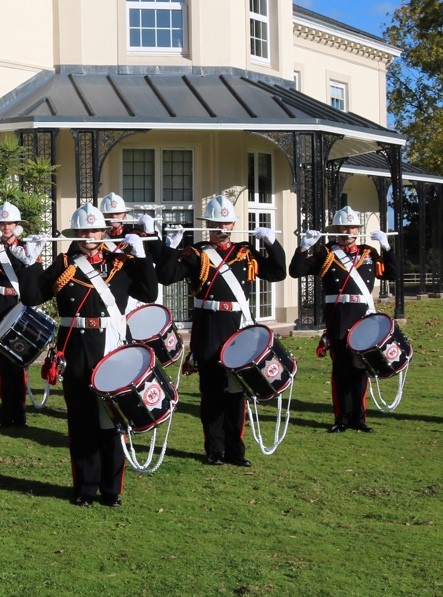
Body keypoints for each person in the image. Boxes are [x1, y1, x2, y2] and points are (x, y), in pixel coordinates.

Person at [20, 203, 157, 507]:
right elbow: (31, 297)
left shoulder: (120, 261)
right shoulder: (64, 263)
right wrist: (31, 263)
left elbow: (149, 294)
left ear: (104, 232)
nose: (89, 235)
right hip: (77, 351)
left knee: (111, 422)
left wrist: (144, 257)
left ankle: (111, 490)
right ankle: (85, 487)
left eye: (94, 230)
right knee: (82, 423)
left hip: (111, 349)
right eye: (83, 231)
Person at [155, 195, 285, 466]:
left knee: (237, 395)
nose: (222, 228)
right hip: (210, 330)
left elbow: (277, 273)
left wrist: (272, 244)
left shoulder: (245, 252)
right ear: (208, 225)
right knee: (212, 394)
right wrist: (170, 247)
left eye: (226, 223)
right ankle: (214, 450)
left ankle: (236, 451)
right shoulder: (196, 253)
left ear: (234, 223)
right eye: (216, 223)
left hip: (238, 330)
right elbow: (166, 277)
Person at [288, 206, 395, 433]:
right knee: (341, 372)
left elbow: (392, 274)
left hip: (364, 320)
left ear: (358, 230)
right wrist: (304, 247)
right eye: (344, 227)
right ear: (336, 230)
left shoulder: (368, 253)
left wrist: (387, 248)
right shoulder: (325, 253)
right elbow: (296, 271)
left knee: (360, 371)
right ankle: (341, 418)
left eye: (353, 227)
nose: (349, 230)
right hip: (339, 320)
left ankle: (360, 419)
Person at [0, 201, 46, 428]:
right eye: (2, 223)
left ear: (17, 225)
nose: (6, 227)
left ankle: (17, 414)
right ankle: (6, 413)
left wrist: (27, 259)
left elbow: (35, 284)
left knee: (18, 362)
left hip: (19, 306)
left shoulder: (29, 248)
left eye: (10, 223)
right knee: (3, 363)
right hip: (0, 306)